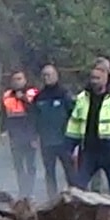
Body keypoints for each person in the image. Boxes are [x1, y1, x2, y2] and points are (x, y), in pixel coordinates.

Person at [67, 61, 110, 195]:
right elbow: (75, 122)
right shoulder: (83, 98)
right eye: (92, 78)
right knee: (79, 186)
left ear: (106, 78)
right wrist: (71, 142)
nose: (94, 81)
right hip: (89, 149)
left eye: (97, 78)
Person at [29, 62, 74, 197]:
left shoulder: (64, 94)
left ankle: (75, 196)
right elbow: (33, 118)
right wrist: (33, 136)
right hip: (46, 142)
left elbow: (73, 114)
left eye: (48, 75)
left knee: (70, 171)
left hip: (64, 140)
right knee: (49, 172)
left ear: (56, 76)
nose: (46, 78)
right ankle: (52, 198)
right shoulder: (39, 97)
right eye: (44, 75)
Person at [0, 70, 38, 197]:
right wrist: (2, 131)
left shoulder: (32, 93)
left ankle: (30, 192)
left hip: (29, 134)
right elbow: (3, 115)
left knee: (30, 165)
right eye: (15, 79)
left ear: (25, 80)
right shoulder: (7, 95)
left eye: (20, 79)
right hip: (14, 135)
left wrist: (23, 99)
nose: (17, 82)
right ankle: (22, 191)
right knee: (18, 166)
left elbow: (36, 113)